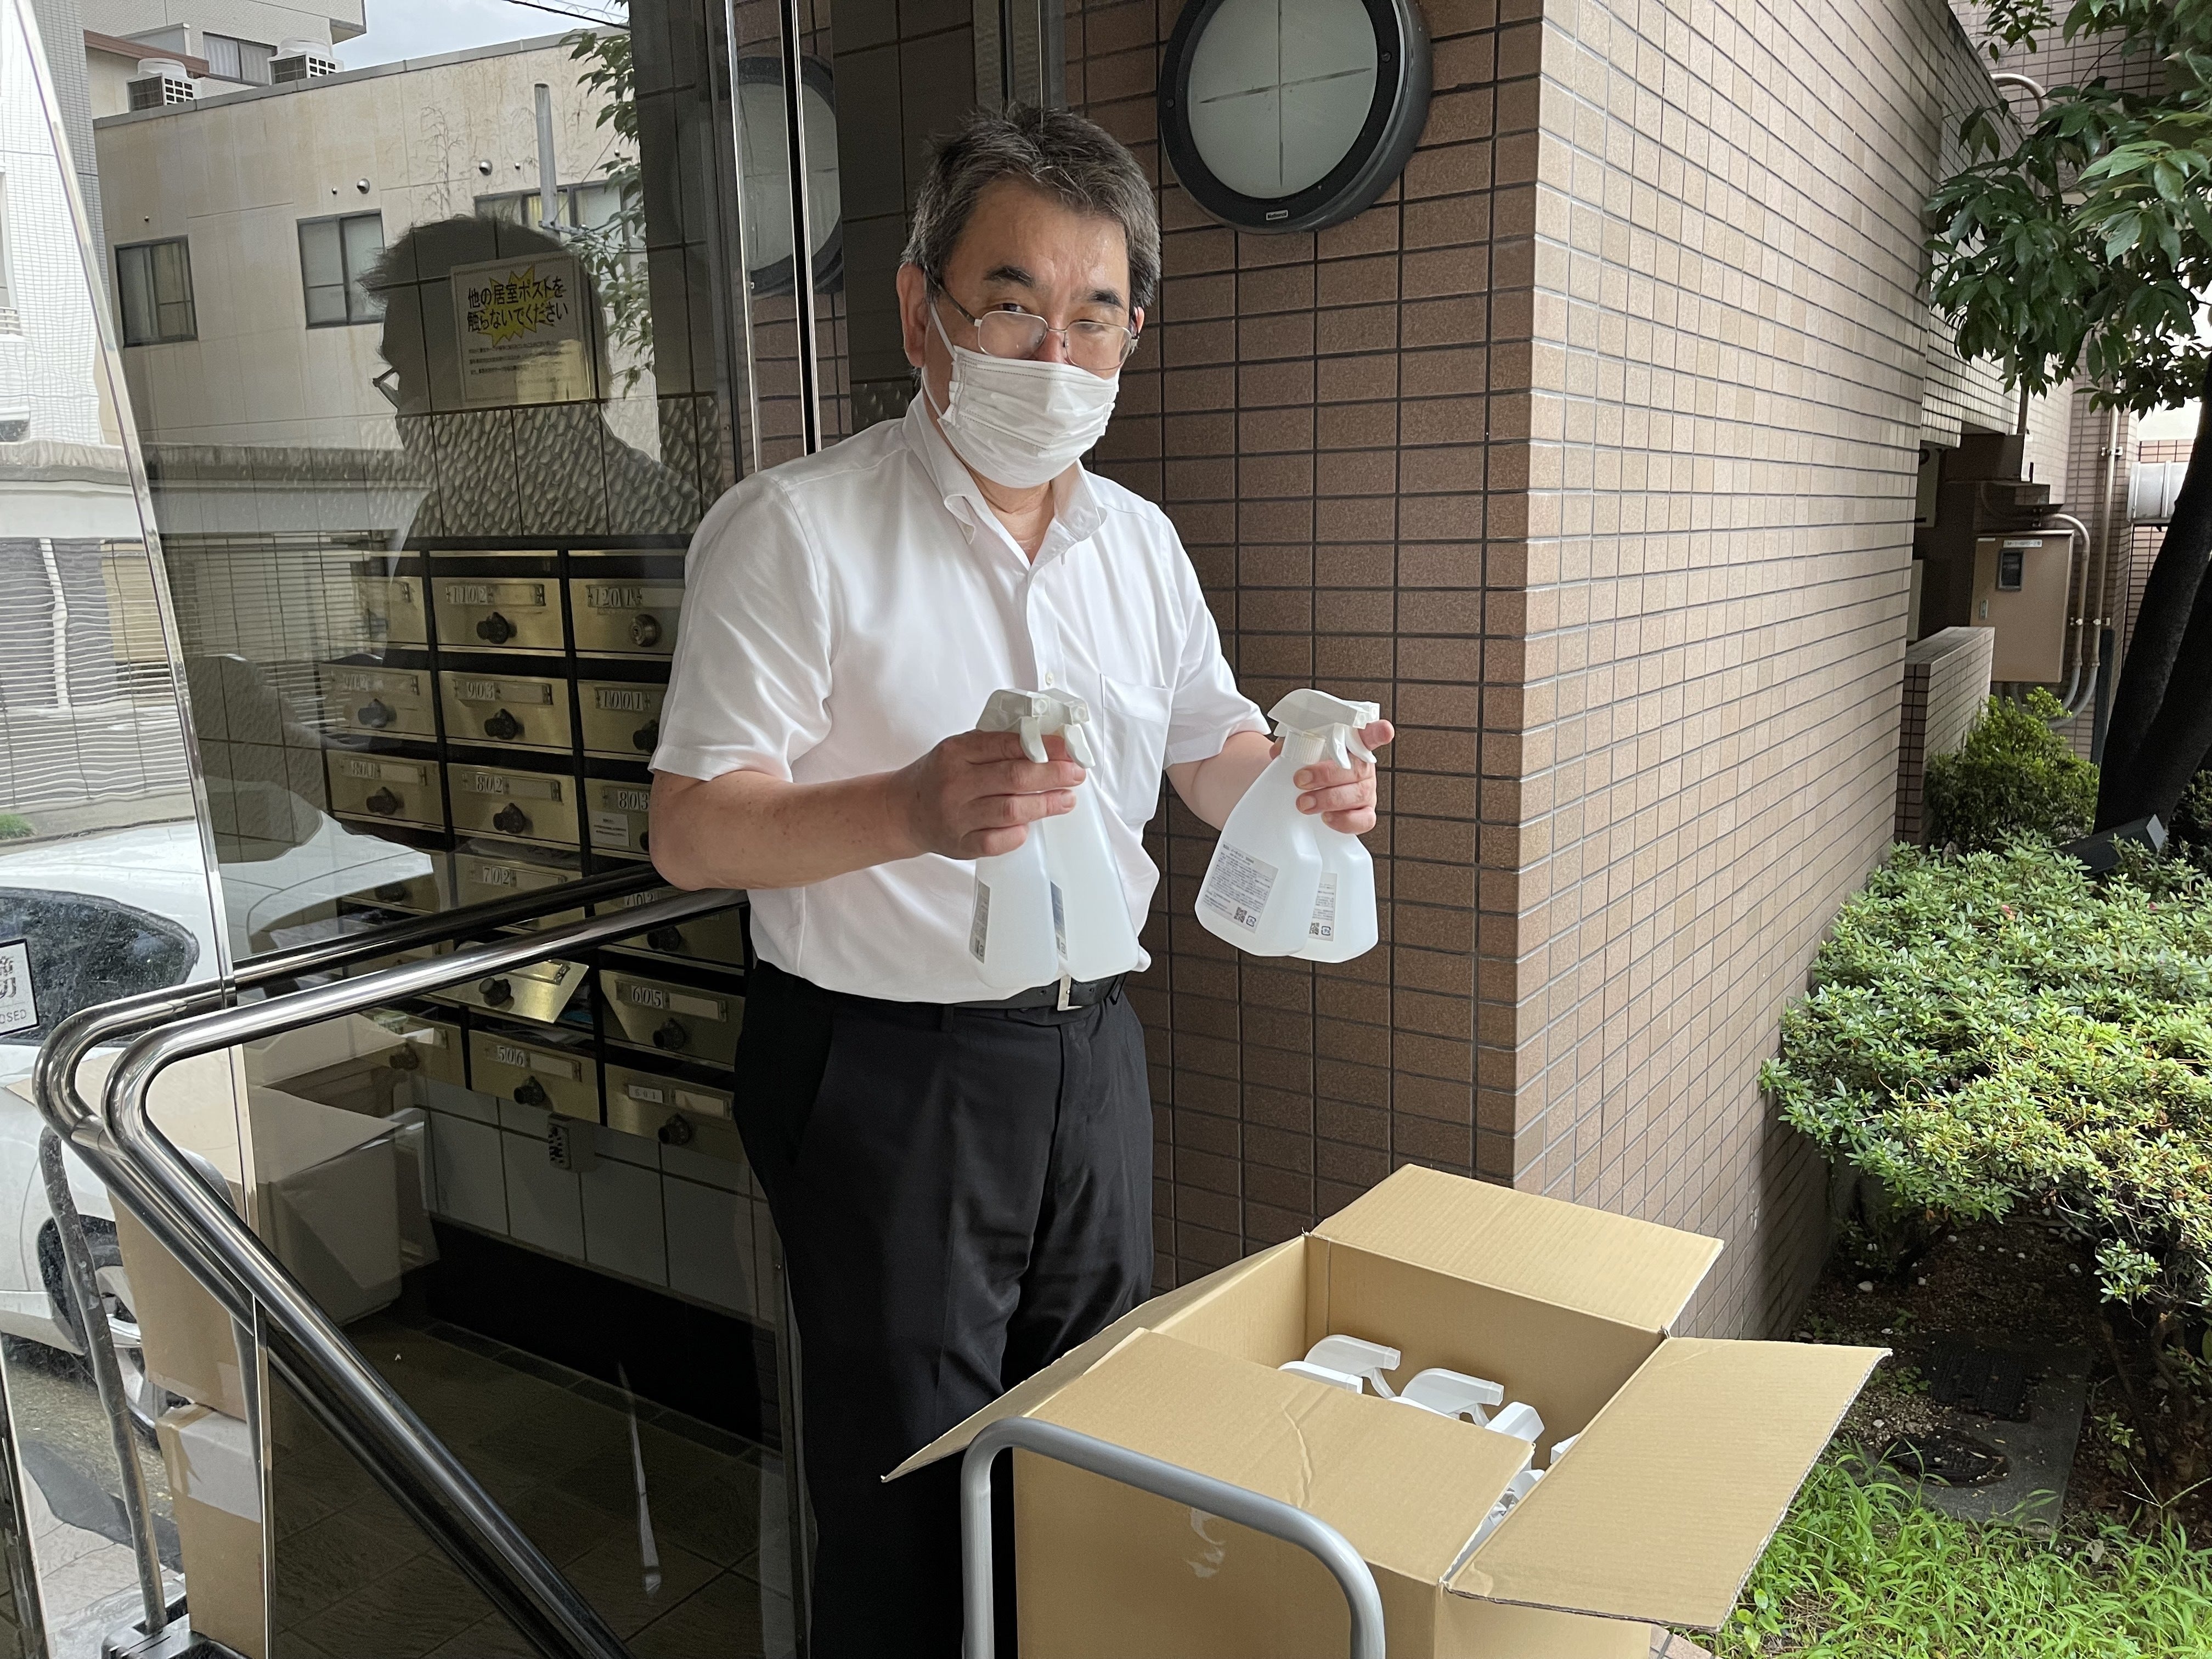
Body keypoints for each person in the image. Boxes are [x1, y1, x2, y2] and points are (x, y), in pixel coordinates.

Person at [648, 104, 1392, 1656]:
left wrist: (1300, 780)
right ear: (920, 307)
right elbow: (696, 830)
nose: (1055, 353)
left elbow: (1209, 749)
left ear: (1132, 336)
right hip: (882, 1068)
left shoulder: (1140, 544)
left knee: (1087, 1445)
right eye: (1011, 302)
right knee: (912, 1494)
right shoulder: (795, 530)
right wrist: (911, 806)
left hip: (1089, 1048)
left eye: (1094, 314)